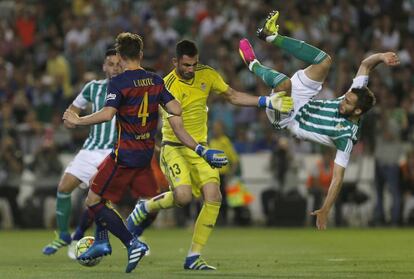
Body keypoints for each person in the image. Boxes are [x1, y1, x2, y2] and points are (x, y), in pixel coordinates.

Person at [63, 32, 228, 273]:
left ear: (118, 57)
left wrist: (78, 120)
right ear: (140, 54)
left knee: (93, 200)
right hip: (146, 154)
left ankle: (131, 243)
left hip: (125, 154)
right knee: (111, 198)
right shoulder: (155, 80)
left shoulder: (118, 82)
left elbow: (107, 114)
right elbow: (175, 108)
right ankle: (102, 241)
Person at [126, 39, 293, 271]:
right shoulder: (167, 86)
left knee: (214, 196)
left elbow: (232, 95)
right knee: (183, 197)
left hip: (200, 147)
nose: (190, 70)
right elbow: (178, 129)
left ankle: (193, 257)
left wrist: (266, 101)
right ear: (175, 62)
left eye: (194, 64)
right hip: (175, 147)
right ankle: (145, 208)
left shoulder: (208, 75)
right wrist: (203, 151)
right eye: (185, 65)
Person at [238, 10, 400, 230]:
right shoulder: (356, 95)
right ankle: (270, 35)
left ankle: (252, 64)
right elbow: (365, 64)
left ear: (358, 112)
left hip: (288, 118)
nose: (343, 101)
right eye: (346, 97)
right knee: (325, 60)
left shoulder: (347, 137)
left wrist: (326, 208)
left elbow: (337, 177)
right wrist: (381, 56)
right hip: (305, 100)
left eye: (348, 104)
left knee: (284, 84)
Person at [42, 48, 122, 258]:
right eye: (110, 64)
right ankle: (63, 235)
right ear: (104, 66)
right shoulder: (92, 88)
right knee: (63, 188)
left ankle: (92, 240)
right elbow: (72, 110)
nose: (114, 68)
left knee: (96, 198)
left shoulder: (128, 89)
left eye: (117, 64)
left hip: (112, 152)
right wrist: (70, 119)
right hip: (90, 148)